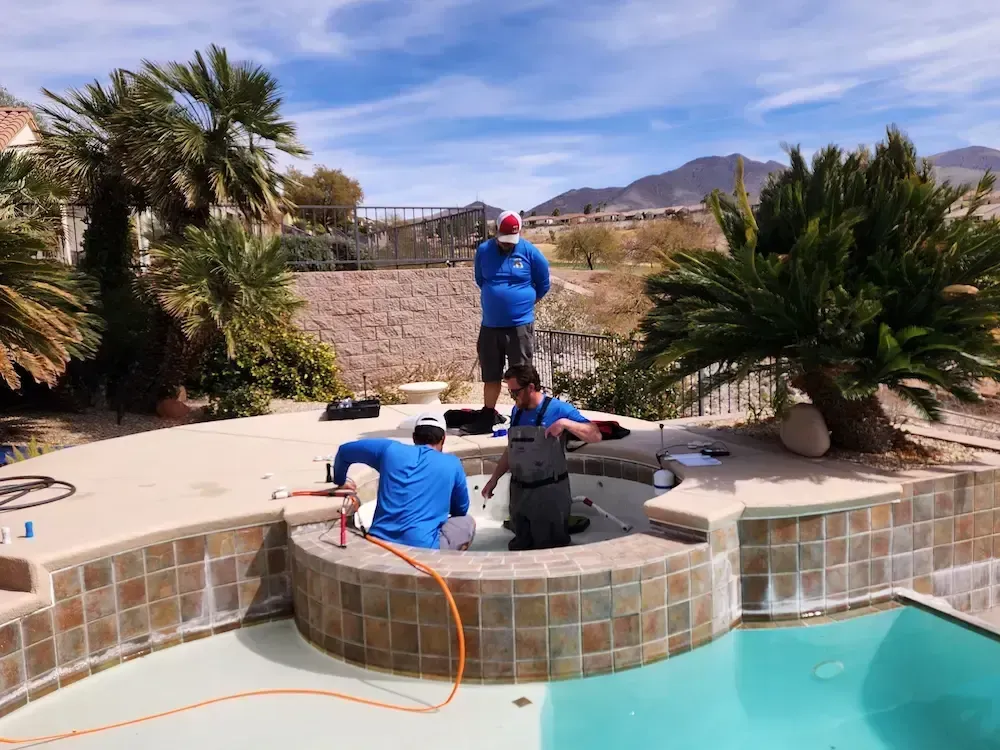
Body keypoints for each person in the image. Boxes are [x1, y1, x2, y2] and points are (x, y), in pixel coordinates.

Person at [481, 364, 601, 551]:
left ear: (530, 387)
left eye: (515, 392)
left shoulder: (558, 409)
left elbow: (595, 435)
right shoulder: (517, 411)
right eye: (510, 393)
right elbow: (512, 449)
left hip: (548, 493)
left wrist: (565, 423)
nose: (513, 397)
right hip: (519, 493)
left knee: (550, 548)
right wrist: (493, 480)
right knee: (520, 545)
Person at [332, 414, 476, 551]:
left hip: (379, 541)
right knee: (467, 522)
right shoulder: (452, 464)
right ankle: (446, 563)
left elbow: (344, 451)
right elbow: (460, 510)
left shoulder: (390, 450)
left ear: (414, 437)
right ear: (443, 439)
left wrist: (340, 480)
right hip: (423, 548)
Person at [469, 210, 551, 434]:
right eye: (504, 239)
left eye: (511, 240)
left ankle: (526, 417)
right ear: (496, 231)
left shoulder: (530, 252)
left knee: (522, 375)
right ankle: (488, 416)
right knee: (491, 375)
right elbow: (480, 279)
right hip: (490, 326)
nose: (507, 244)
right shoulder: (484, 251)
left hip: (520, 327)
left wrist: (522, 304)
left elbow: (544, 284)